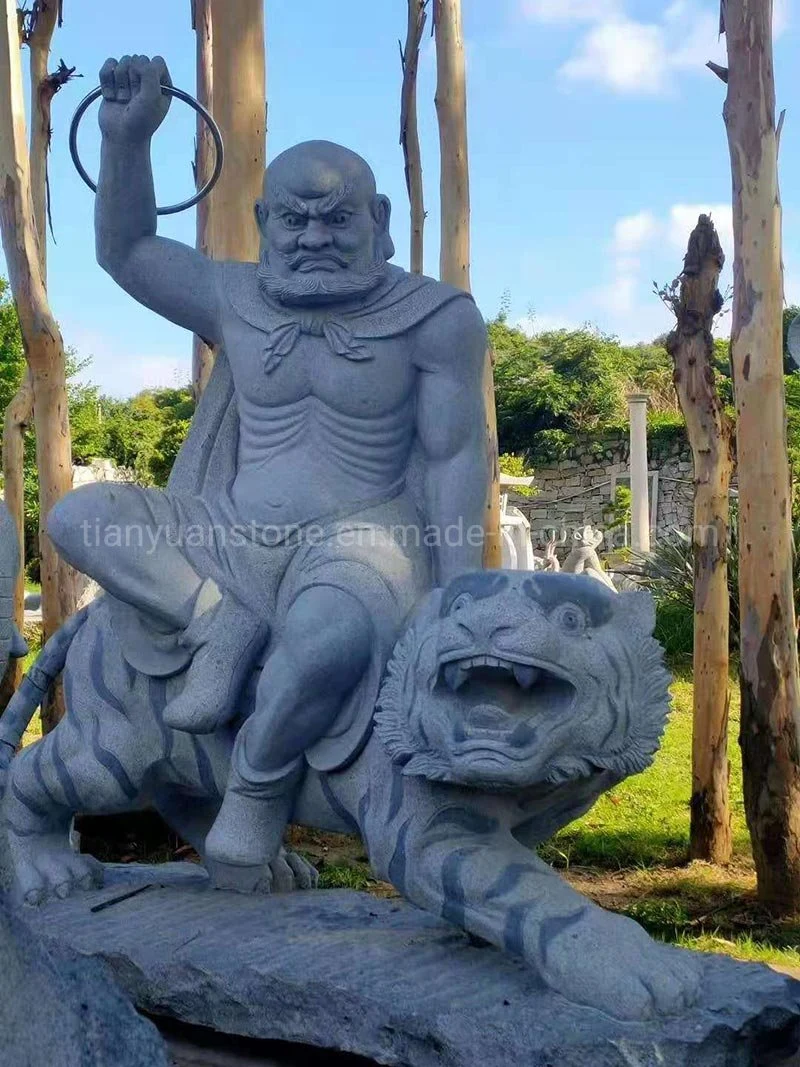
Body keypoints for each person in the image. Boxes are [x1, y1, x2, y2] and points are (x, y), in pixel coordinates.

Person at [49, 55, 489, 878]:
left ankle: (256, 790)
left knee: (326, 640)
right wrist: (125, 141)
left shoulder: (435, 319)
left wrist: (455, 609)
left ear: (381, 219)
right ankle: (219, 620)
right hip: (228, 530)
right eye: (294, 220)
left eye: (335, 220)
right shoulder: (235, 296)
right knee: (78, 515)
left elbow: (457, 456)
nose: (314, 237)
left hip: (361, 540)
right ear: (261, 220)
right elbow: (130, 248)